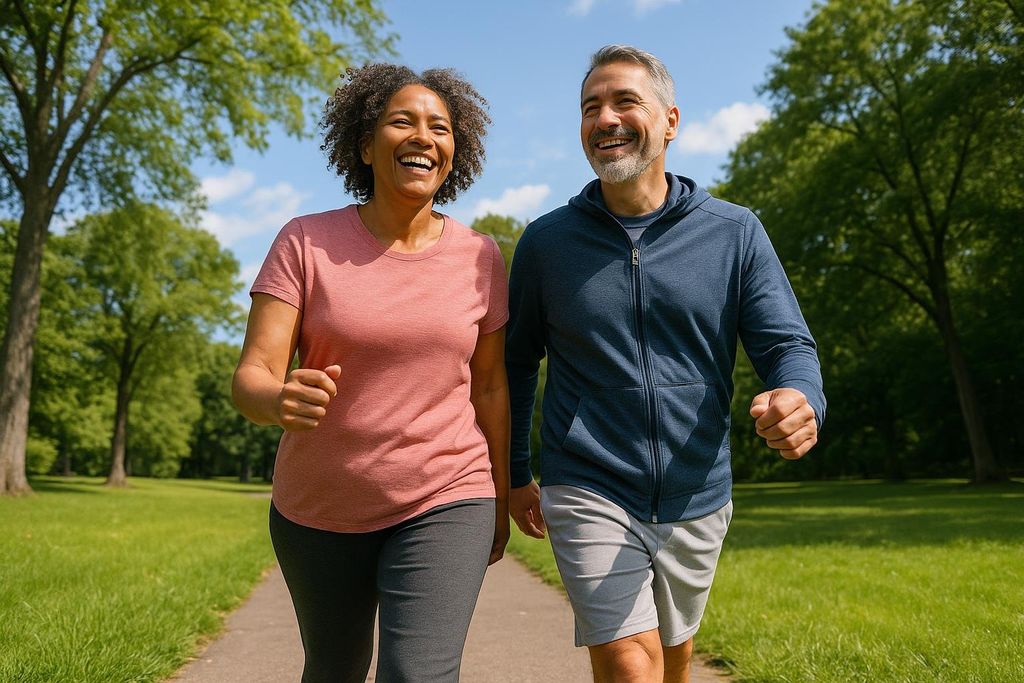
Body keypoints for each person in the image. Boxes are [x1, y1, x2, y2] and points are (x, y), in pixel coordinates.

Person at [505, 45, 826, 683]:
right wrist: (515, 471)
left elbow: (788, 345)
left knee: (671, 659)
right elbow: (515, 364)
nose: (606, 118)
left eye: (625, 101)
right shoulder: (546, 243)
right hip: (588, 478)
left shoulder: (734, 233)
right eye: (590, 107)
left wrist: (801, 398)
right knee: (629, 661)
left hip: (698, 487)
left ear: (670, 120)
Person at [232, 63, 510, 683]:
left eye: (439, 127)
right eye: (401, 121)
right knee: (334, 668)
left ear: (453, 154)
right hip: (319, 506)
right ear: (364, 145)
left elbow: (490, 386)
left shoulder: (480, 257)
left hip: (448, 491)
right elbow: (252, 373)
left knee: (419, 674)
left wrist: (497, 494)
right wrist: (278, 399)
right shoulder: (305, 242)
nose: (423, 136)